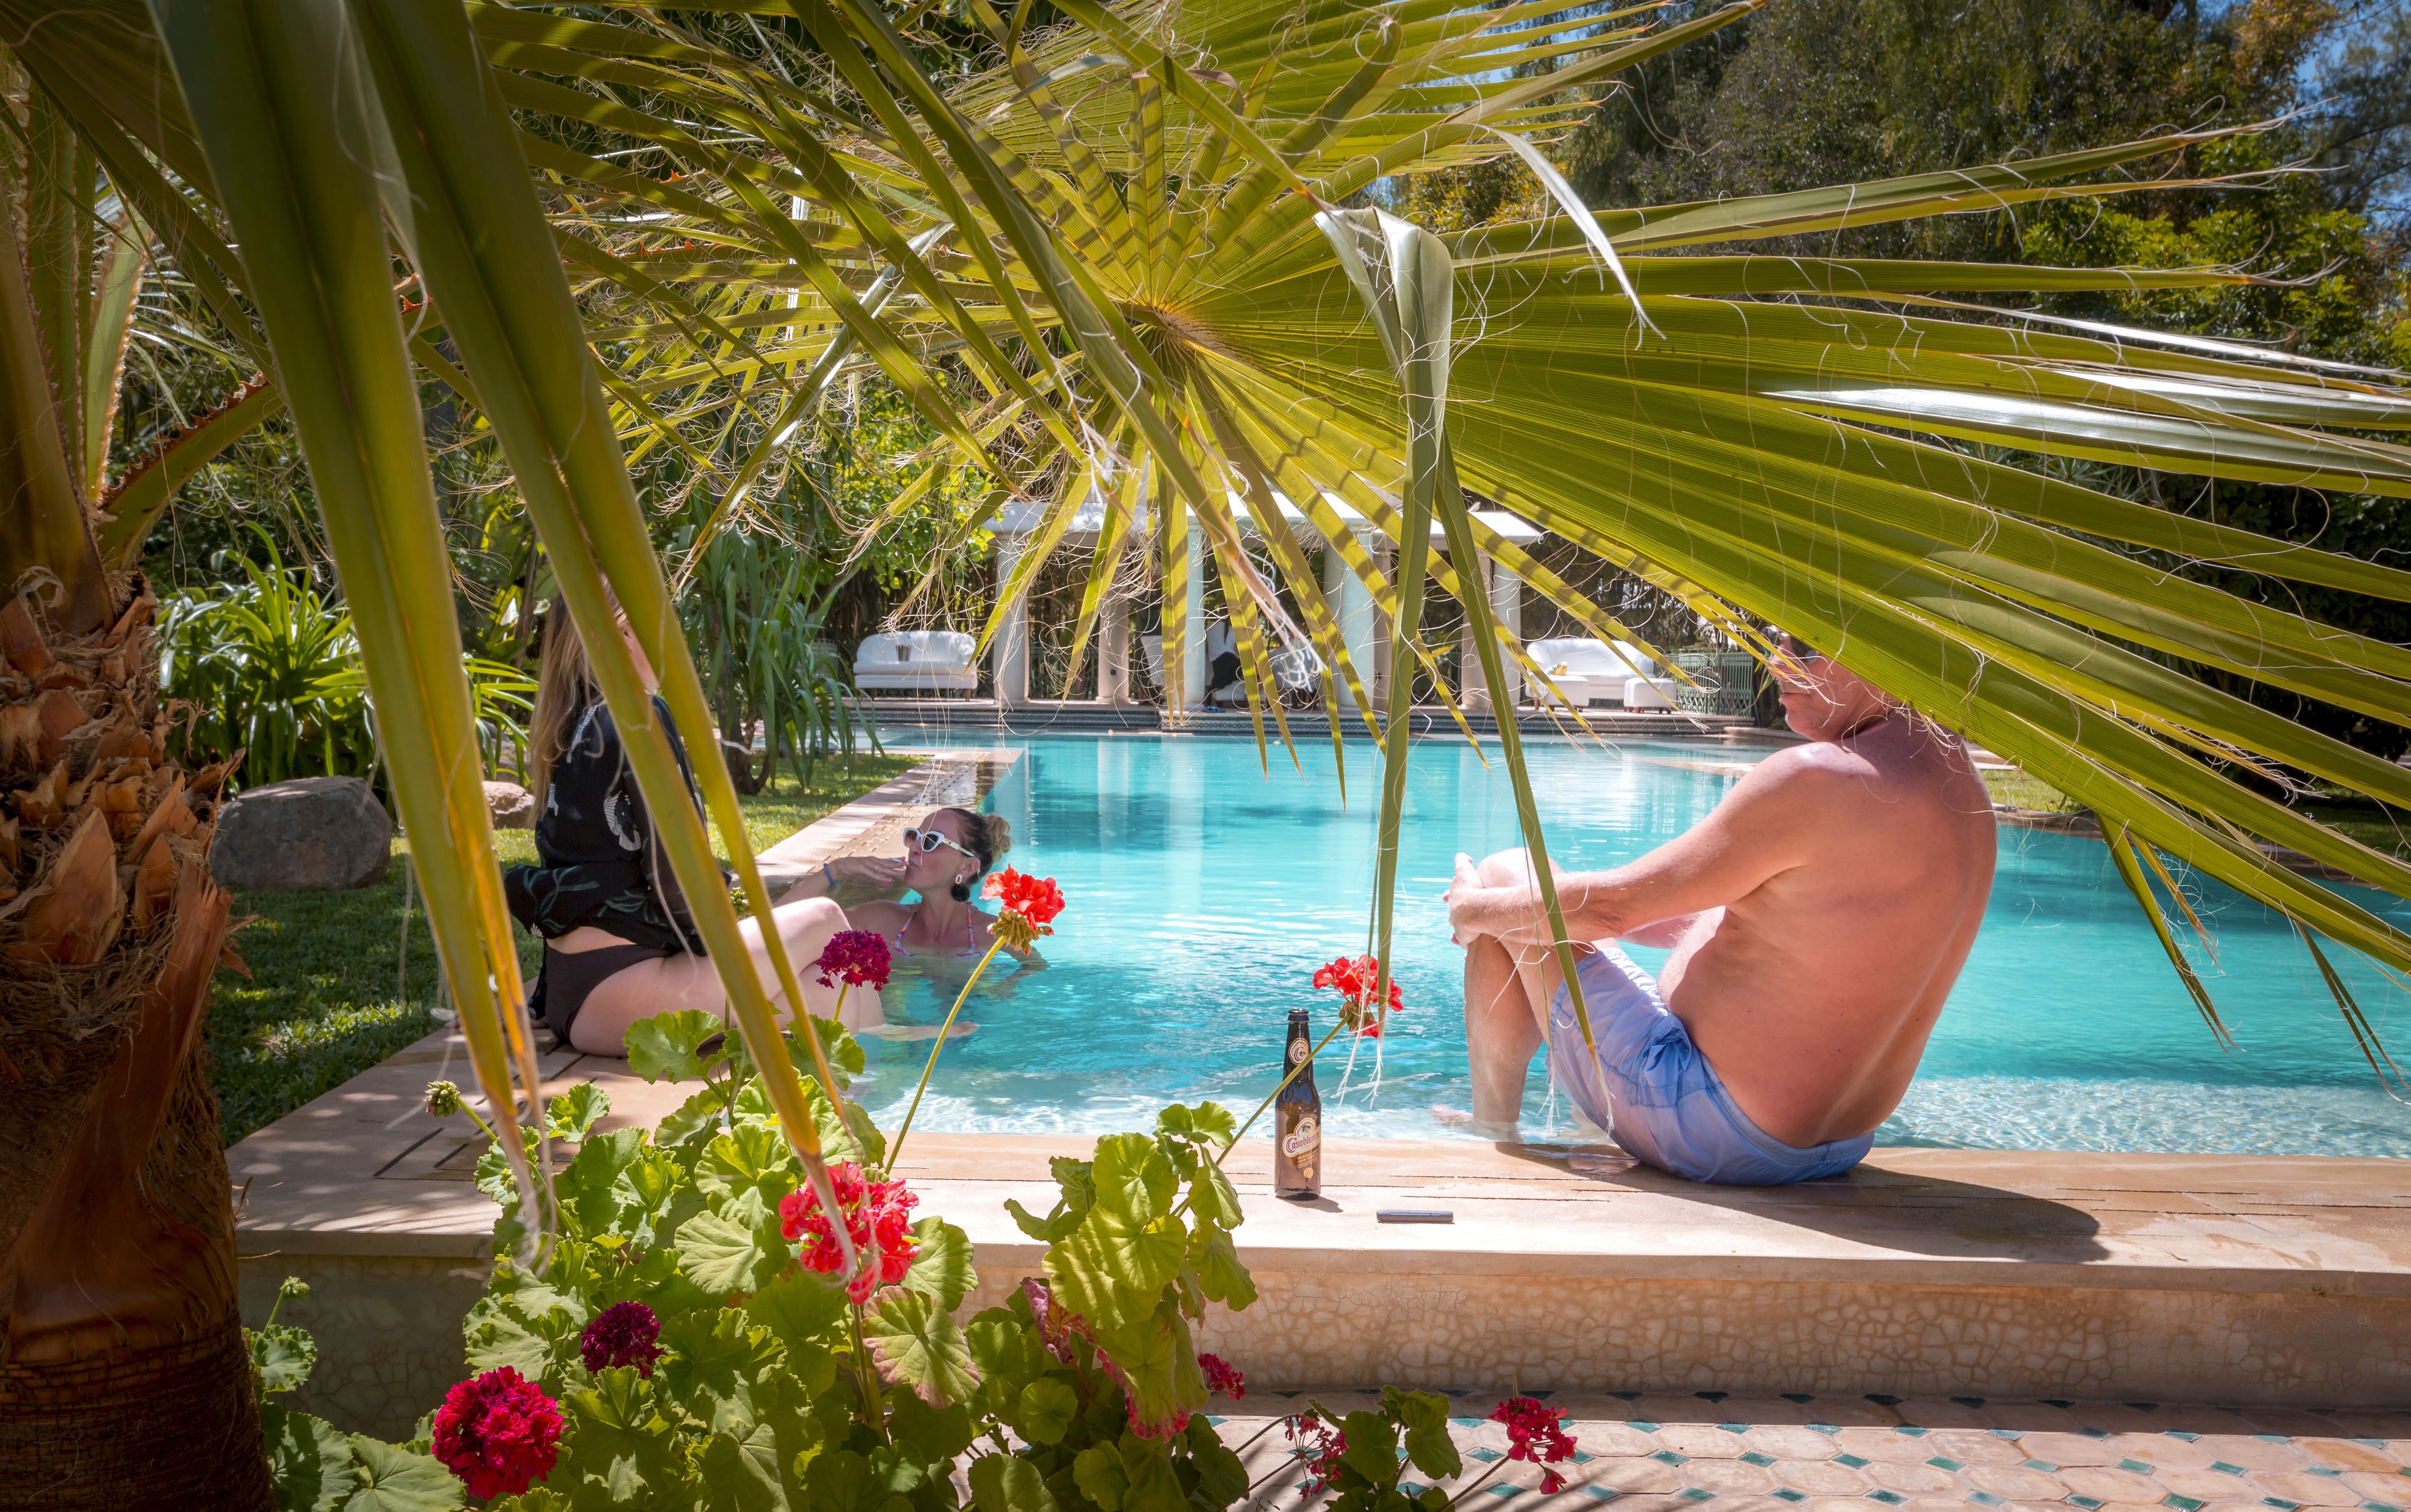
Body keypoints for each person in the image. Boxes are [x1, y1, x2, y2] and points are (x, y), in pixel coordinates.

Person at [1440, 632, 1997, 1184]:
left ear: (1882, 655)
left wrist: (1472, 908)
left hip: (1705, 1124)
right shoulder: (1959, 784)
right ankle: (1586, 1120)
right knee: (1520, 906)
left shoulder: (1818, 778)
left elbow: (1611, 910)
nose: (1778, 662)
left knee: (1506, 875)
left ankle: (1493, 1125)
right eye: (1779, 642)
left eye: (1806, 647)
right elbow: (1705, 915)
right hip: (1838, 1141)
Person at [503, 599, 852, 1055]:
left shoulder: (570, 723)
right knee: (825, 920)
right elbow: (677, 878)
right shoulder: (637, 712)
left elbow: (576, 873)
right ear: (622, 636)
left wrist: (538, 1003)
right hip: (628, 991)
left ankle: (861, 1094)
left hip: (578, 996)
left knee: (825, 990)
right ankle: (884, 1098)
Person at [845, 806, 1043, 972]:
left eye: (931, 841)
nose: (914, 847)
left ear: (967, 867)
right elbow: (817, 925)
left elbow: (1037, 968)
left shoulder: (995, 933)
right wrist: (835, 871)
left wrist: (1008, 986)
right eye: (915, 837)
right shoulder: (879, 920)